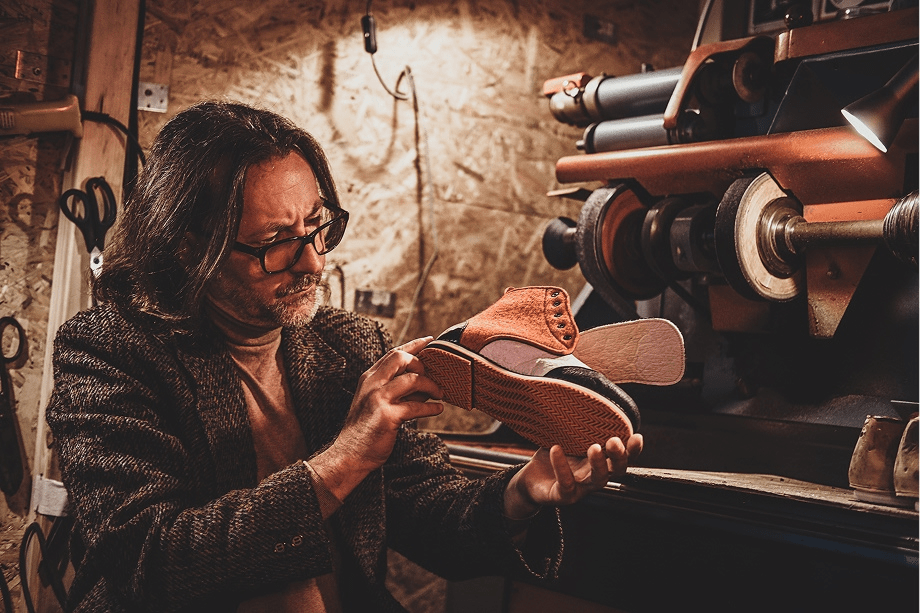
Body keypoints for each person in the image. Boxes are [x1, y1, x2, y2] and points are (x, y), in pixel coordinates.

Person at [46, 100, 643, 612]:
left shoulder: (349, 347)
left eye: (316, 227)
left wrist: (521, 494)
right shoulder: (105, 353)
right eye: (275, 244)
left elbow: (427, 513)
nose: (311, 262)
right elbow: (151, 562)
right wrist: (346, 456)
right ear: (185, 247)